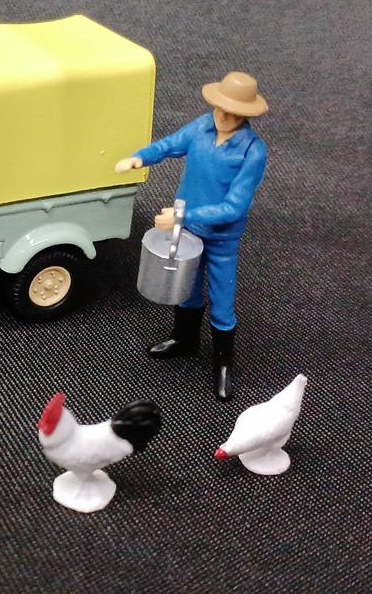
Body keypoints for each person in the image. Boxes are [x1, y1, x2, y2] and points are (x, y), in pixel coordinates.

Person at [115, 71, 269, 400]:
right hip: (185, 231)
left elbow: (234, 207)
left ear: (245, 115)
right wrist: (141, 157)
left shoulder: (253, 151)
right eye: (220, 107)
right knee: (186, 288)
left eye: (232, 112)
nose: (223, 116)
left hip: (221, 238)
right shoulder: (202, 127)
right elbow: (171, 145)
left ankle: (223, 363)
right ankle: (185, 339)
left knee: (222, 300)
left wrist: (181, 216)